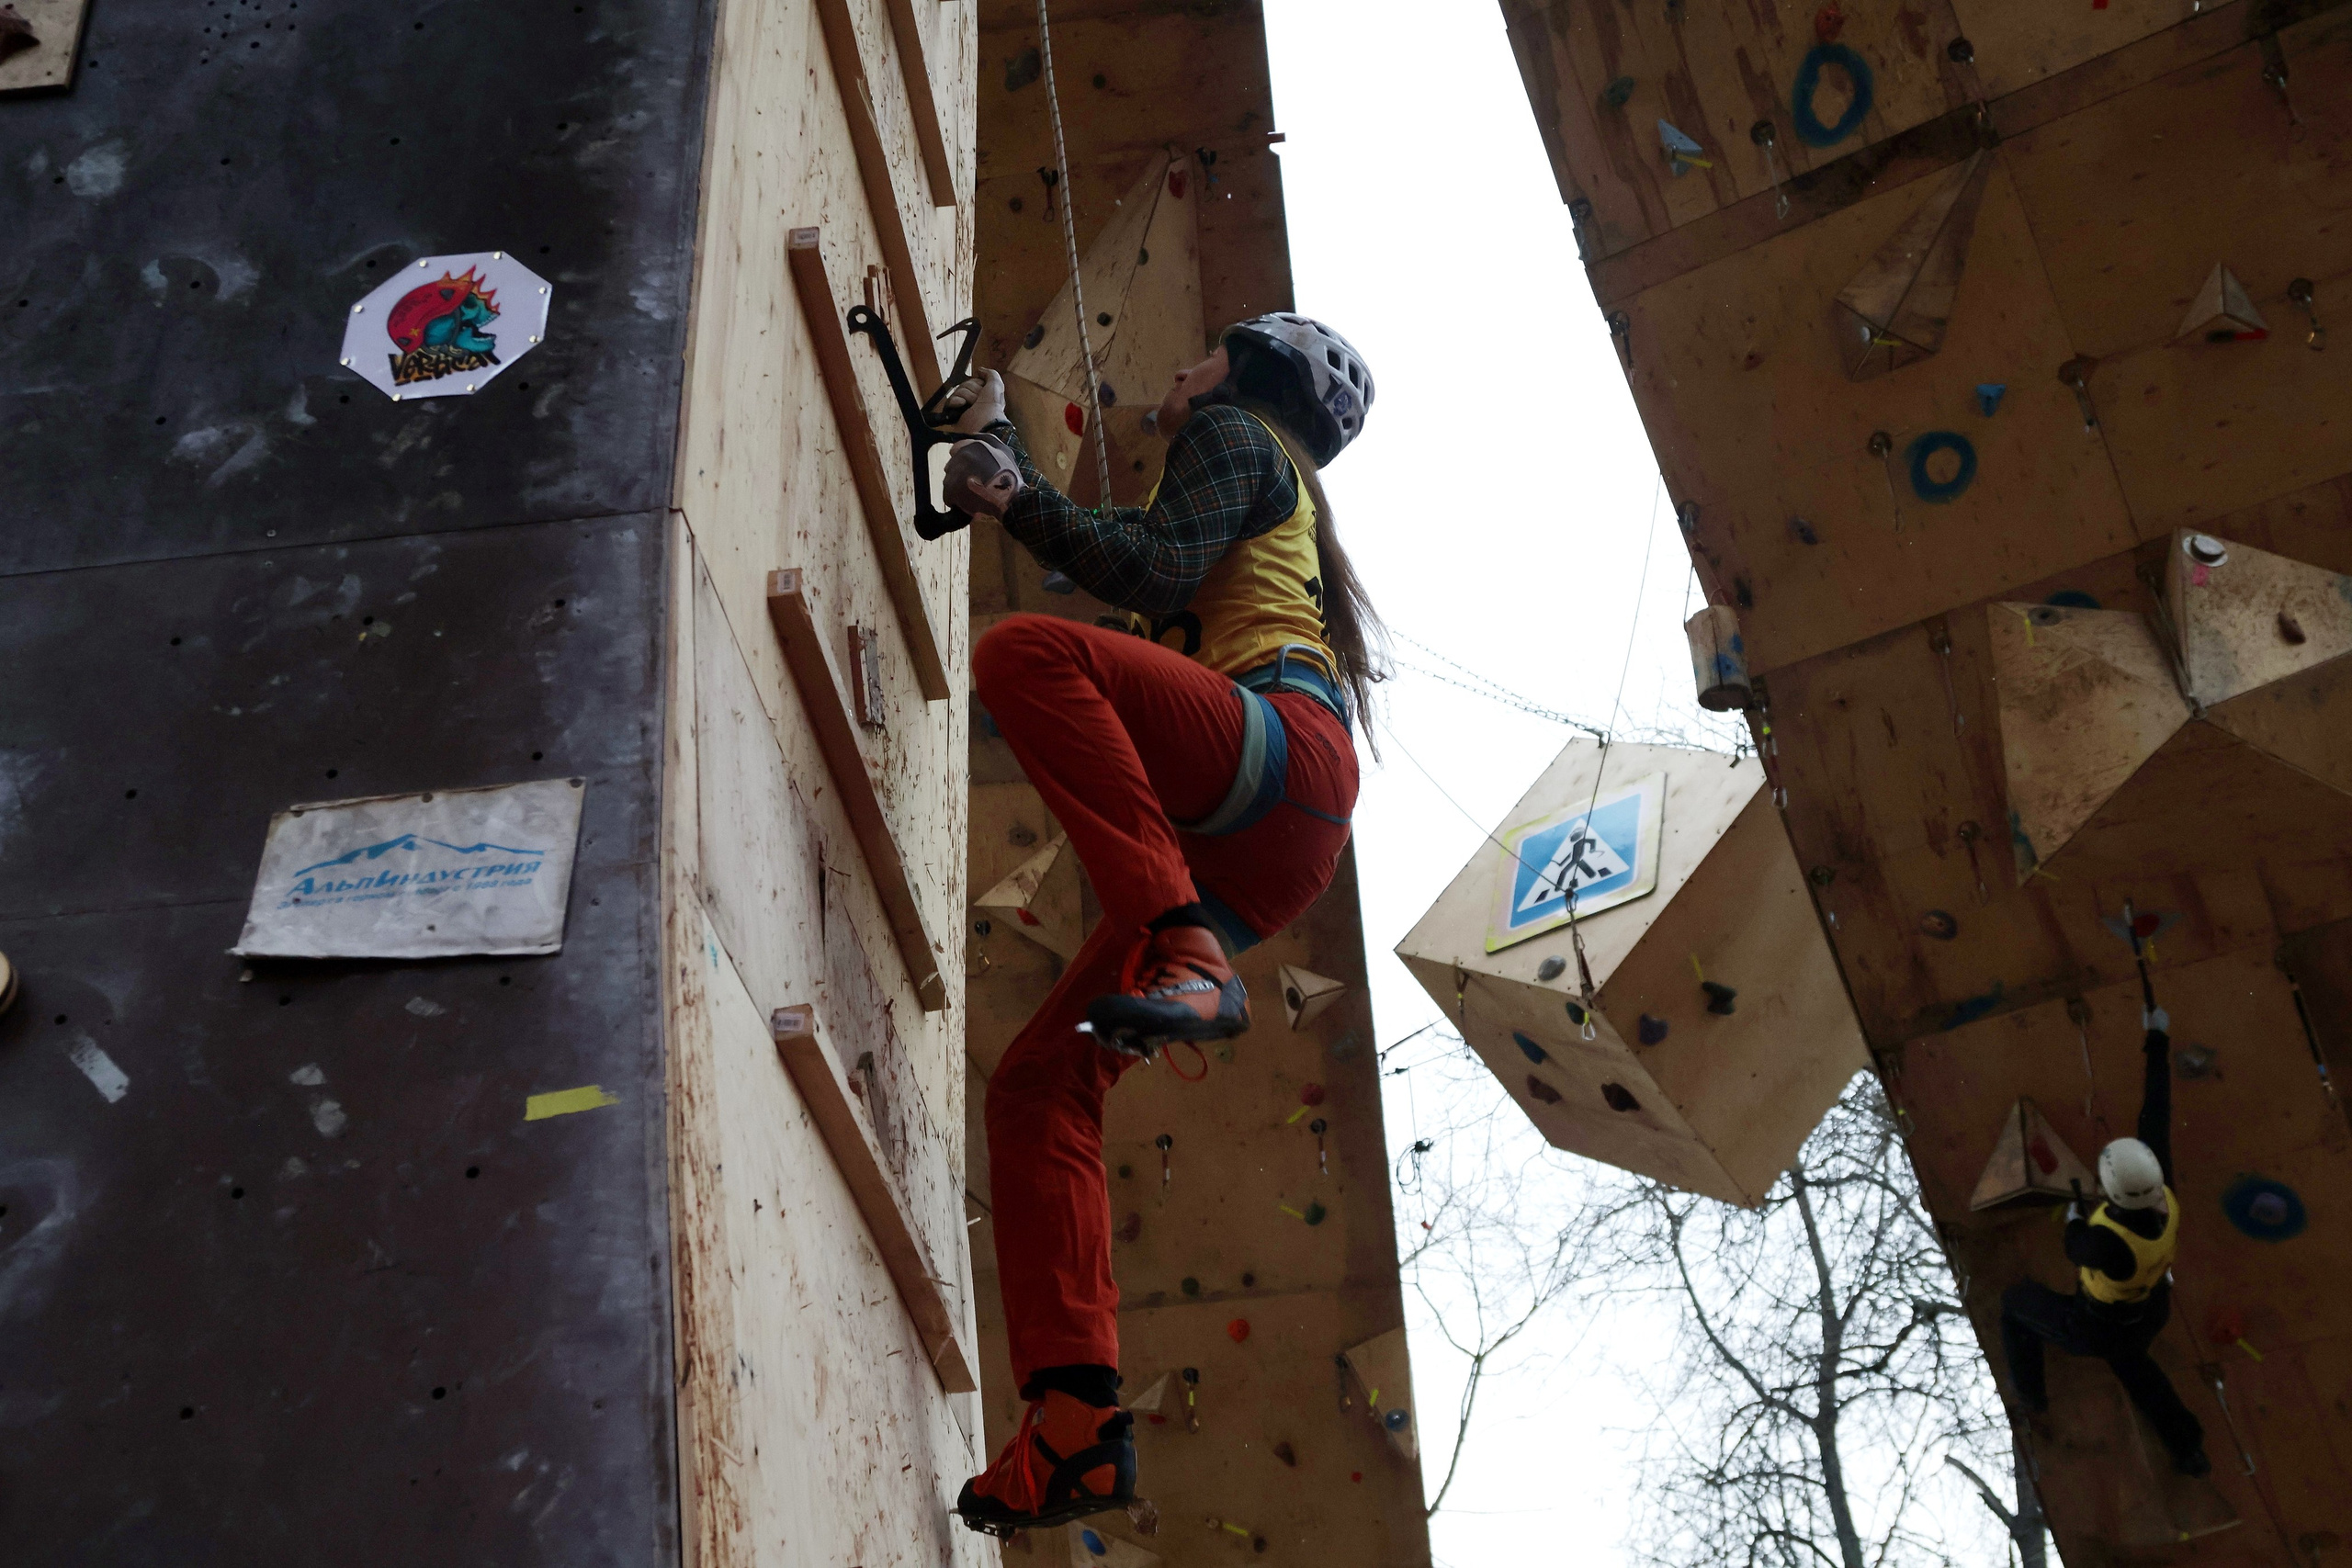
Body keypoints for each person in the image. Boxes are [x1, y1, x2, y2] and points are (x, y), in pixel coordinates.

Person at [937, 316, 1382, 1537]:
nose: (1177, 372)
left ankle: (1186, 951)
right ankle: (1077, 1420)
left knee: (1026, 655)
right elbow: (1139, 570)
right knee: (1037, 1091)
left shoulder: (1239, 435)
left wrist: (1015, 494)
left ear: (1242, 374)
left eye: (1200, 355)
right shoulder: (1269, 510)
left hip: (1272, 763)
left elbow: (1144, 568)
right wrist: (1013, 471)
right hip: (1272, 829)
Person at [1999, 1006, 2210, 1477]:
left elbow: (2075, 1247)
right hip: (2150, 1308)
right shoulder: (2166, 1193)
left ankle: (2031, 1392)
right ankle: (2190, 1449)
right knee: (2139, 1373)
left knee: (2016, 1304)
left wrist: (2074, 1218)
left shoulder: (2107, 1247)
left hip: (2095, 1324)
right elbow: (2156, 1107)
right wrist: (2156, 1037)